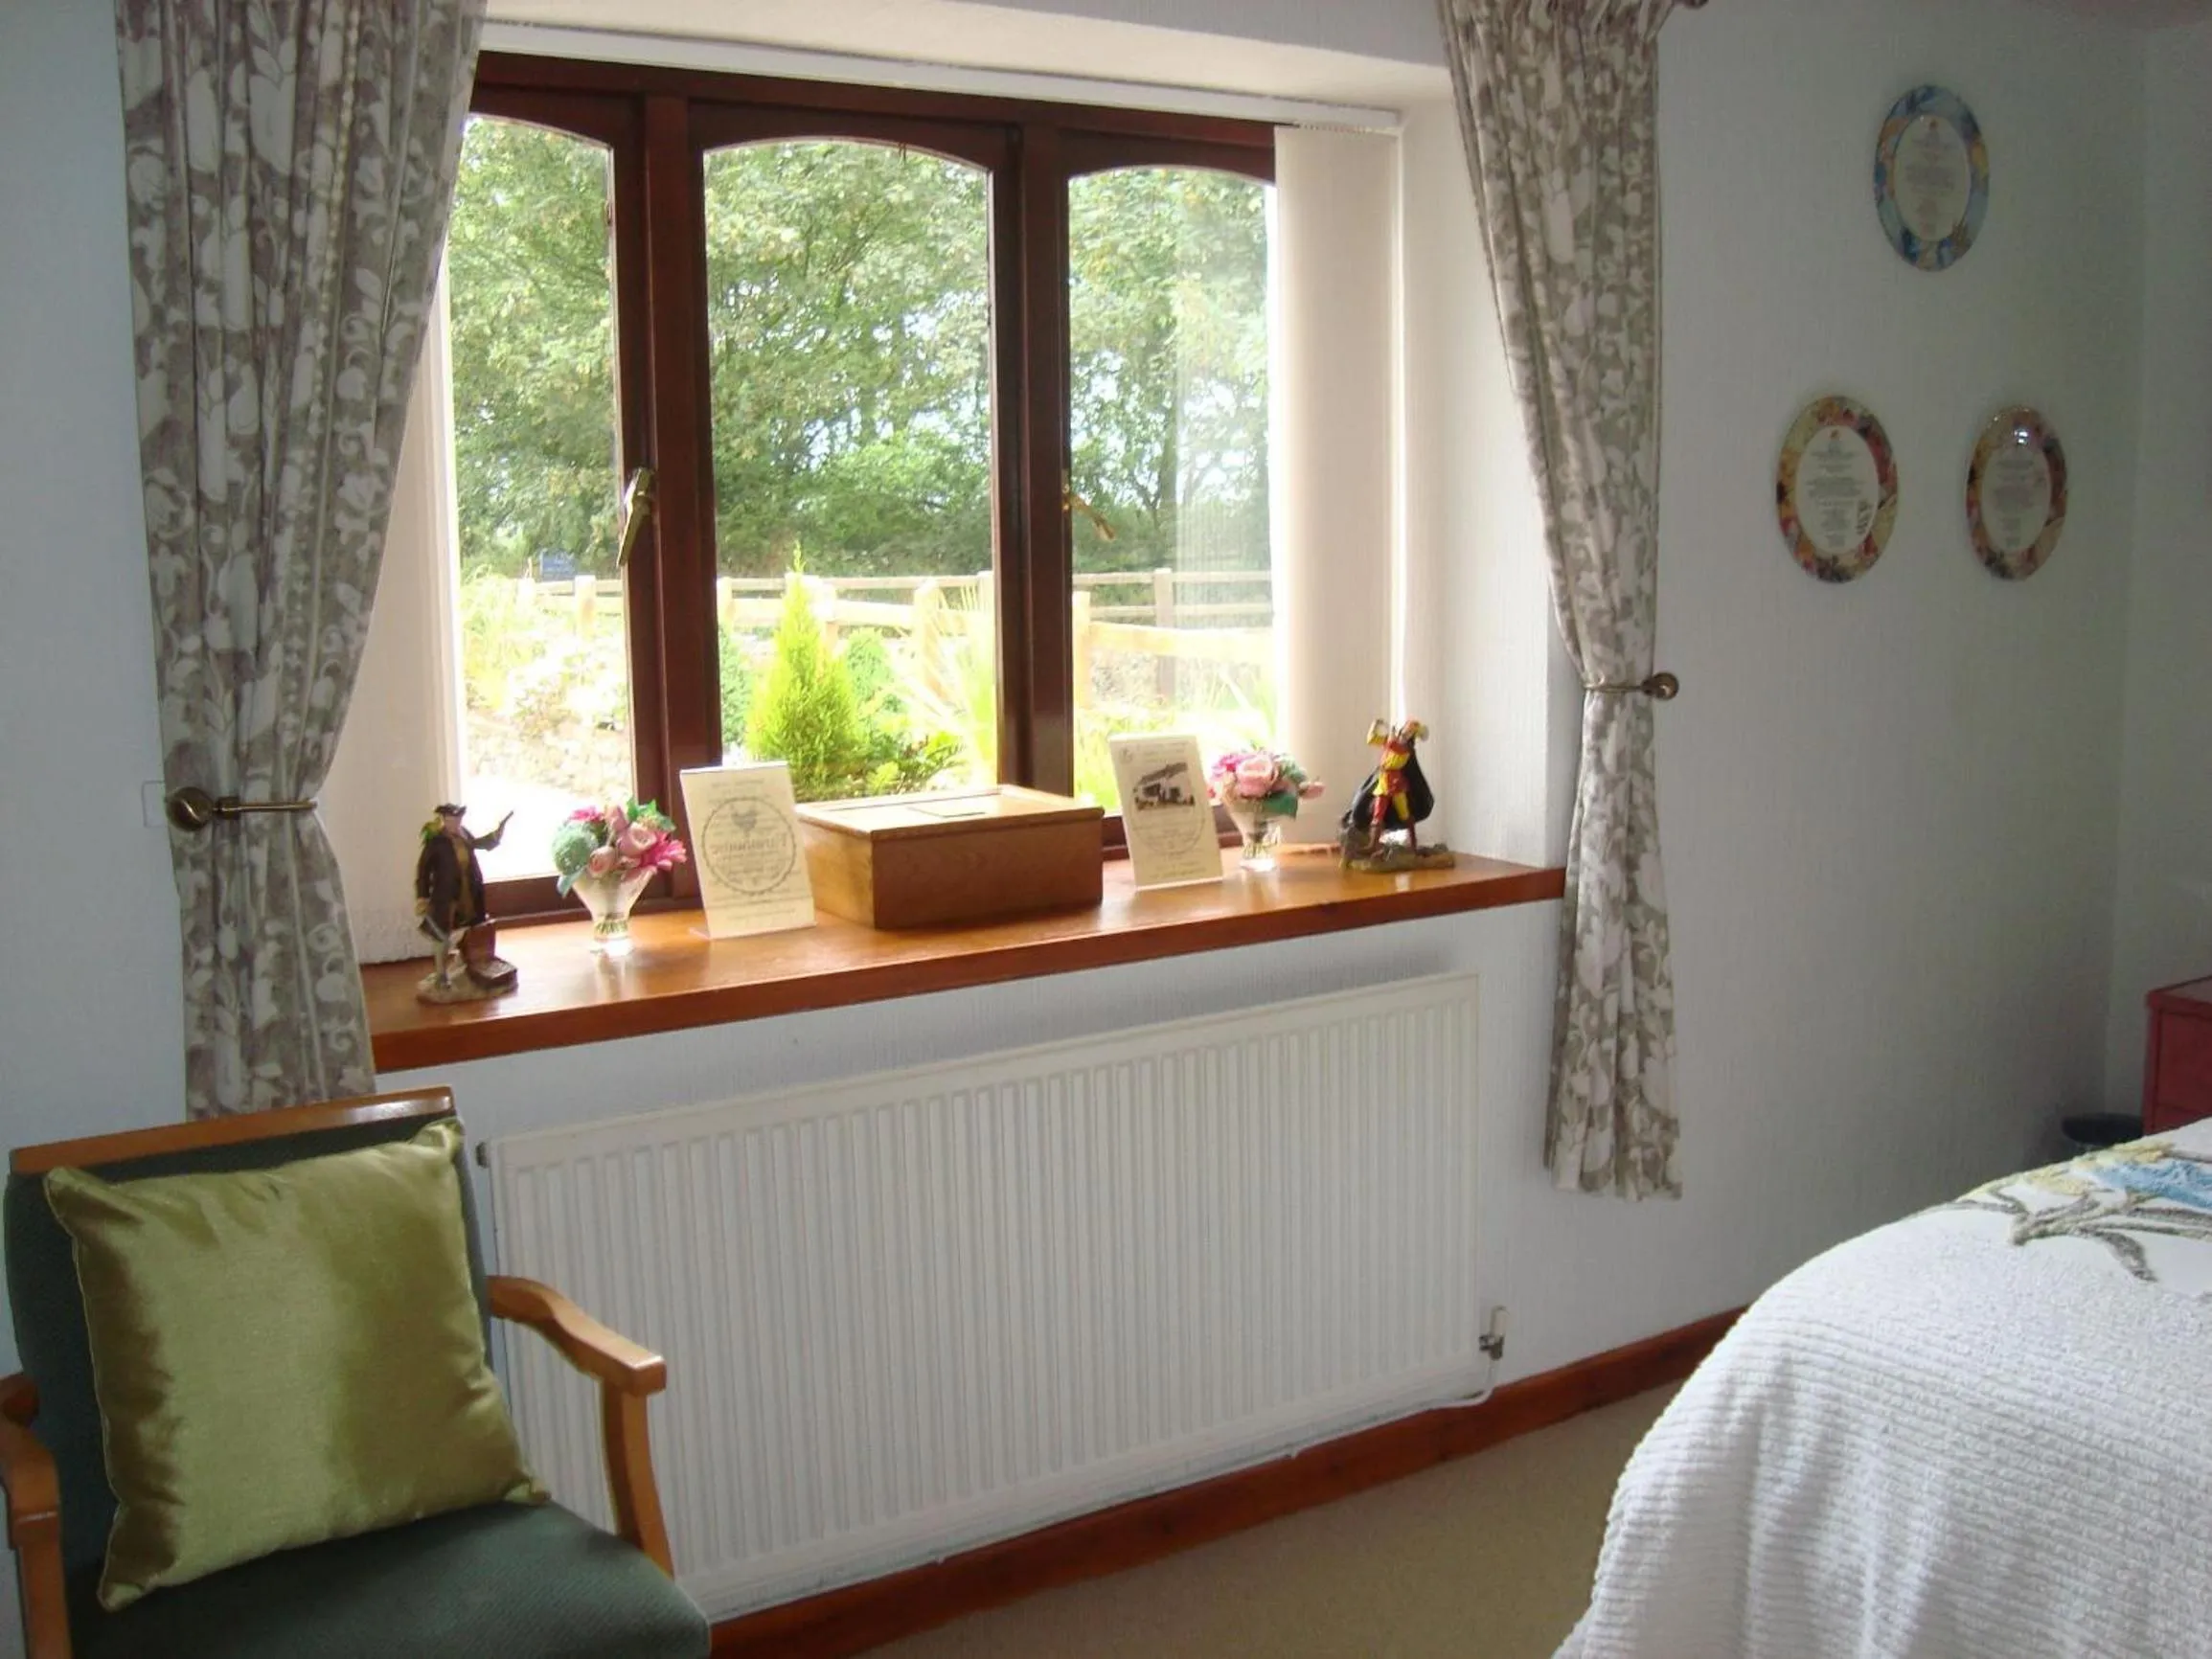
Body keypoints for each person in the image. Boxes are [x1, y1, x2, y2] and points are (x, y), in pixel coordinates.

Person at [414, 805, 516, 999]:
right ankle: (441, 975)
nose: (456, 823)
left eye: (458, 820)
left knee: (471, 929)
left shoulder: (464, 834)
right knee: (441, 936)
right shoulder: (436, 842)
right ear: (444, 819)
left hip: (468, 894)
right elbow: (423, 871)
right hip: (445, 897)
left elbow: (478, 844)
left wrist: (496, 835)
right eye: (452, 820)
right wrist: (422, 896)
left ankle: (466, 964)